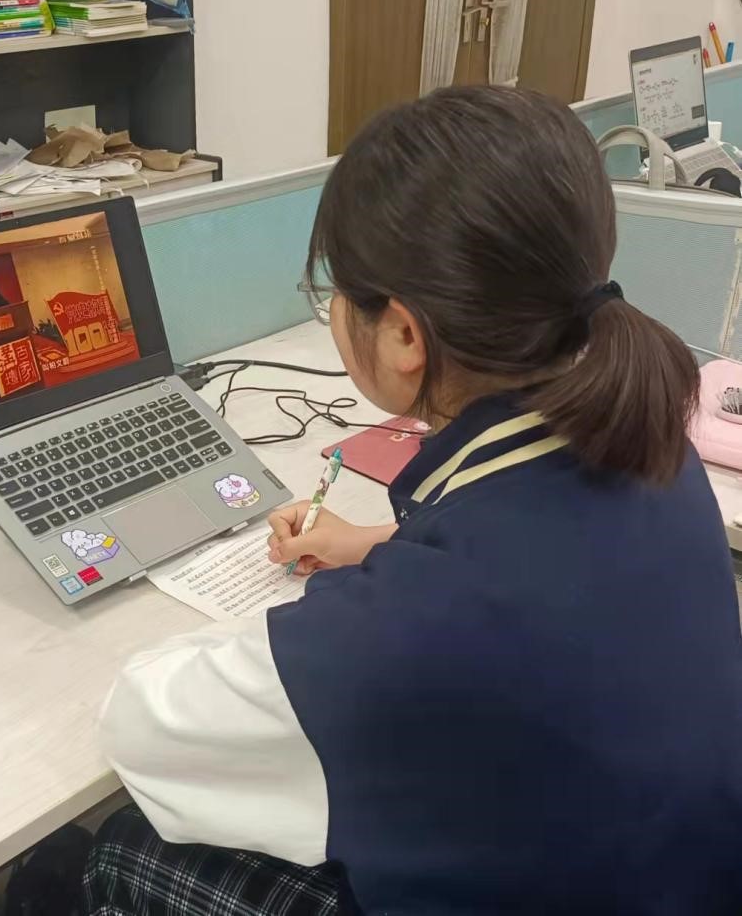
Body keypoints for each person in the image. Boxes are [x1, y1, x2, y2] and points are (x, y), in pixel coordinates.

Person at [83, 86, 742, 915]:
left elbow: (141, 725)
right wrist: (379, 546)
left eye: (333, 290)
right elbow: (535, 571)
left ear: (401, 334)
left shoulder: (409, 631)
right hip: (661, 874)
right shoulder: (651, 443)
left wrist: (325, 618)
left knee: (121, 846)